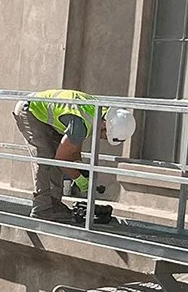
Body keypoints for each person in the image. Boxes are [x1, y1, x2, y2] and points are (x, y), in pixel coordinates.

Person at [12, 90, 135, 222]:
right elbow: (61, 159)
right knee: (45, 157)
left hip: (41, 109)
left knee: (54, 154)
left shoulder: (98, 113)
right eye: (105, 136)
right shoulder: (81, 125)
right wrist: (79, 180)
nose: (102, 138)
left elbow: (73, 150)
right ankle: (42, 208)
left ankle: (54, 204)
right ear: (105, 125)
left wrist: (79, 167)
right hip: (29, 109)